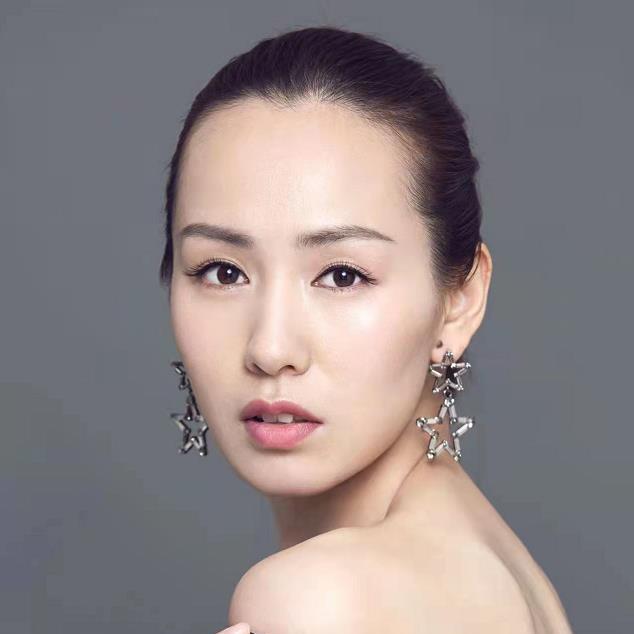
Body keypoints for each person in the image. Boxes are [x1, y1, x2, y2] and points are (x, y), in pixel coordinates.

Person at [159, 25, 574, 634]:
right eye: (223, 271)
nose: (270, 348)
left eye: (342, 275)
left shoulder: (322, 599)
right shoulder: (501, 570)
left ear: (459, 300)